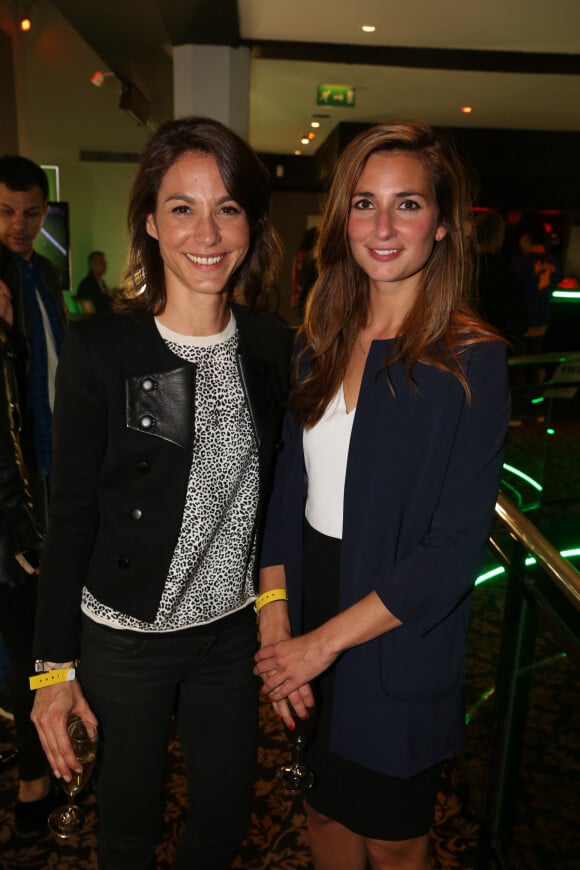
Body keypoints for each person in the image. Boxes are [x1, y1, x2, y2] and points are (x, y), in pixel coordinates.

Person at [30, 116, 292, 869]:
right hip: (126, 638)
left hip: (227, 634)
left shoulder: (271, 342)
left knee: (222, 821)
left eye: (228, 207)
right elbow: (71, 517)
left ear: (250, 222)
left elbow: (276, 493)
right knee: (128, 832)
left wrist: (273, 609)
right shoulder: (104, 349)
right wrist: (53, 672)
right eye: (182, 207)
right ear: (150, 220)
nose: (206, 231)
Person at [254, 121, 510, 870]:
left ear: (441, 224)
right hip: (307, 606)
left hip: (393, 629)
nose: (383, 225)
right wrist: (276, 624)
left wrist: (317, 648)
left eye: (407, 204)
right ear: (342, 218)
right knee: (324, 815)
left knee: (394, 842)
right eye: (365, 203)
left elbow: (453, 552)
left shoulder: (471, 359)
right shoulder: (319, 337)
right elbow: (284, 490)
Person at [0, 155, 66, 831]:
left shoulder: (44, 275)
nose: (18, 225)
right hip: (11, 499)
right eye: (5, 212)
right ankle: (31, 776)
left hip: (48, 483)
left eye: (29, 212)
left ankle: (38, 766)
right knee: (27, 642)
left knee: (41, 638)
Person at [473, 210, 527, 348]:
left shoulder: (459, 272)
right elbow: (520, 323)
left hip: (463, 350)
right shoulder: (509, 274)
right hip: (498, 347)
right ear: (499, 237)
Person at [75, 250, 114, 315]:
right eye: (101, 263)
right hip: (96, 320)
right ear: (92, 265)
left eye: (104, 262)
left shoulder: (100, 282)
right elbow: (99, 305)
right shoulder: (87, 284)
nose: (105, 265)